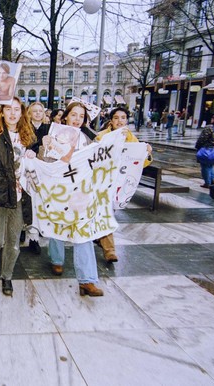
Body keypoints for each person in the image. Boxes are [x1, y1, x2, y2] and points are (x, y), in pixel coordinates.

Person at [0, 81, 37, 296]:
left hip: (20, 196)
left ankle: (7, 276)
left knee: (13, 243)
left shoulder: (29, 136)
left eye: (16, 109)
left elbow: (40, 156)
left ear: (22, 113)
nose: (12, 113)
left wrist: (34, 153)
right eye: (8, 109)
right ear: (1, 112)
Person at [40, 100, 104, 297]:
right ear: (65, 115)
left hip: (80, 191)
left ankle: (87, 280)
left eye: (81, 116)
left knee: (83, 232)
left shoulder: (89, 139)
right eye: (74, 115)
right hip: (59, 189)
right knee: (58, 224)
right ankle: (57, 259)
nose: (77, 119)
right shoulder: (53, 134)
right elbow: (45, 162)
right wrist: (44, 147)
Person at [94, 107, 153, 263]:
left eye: (123, 117)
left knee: (106, 212)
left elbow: (140, 163)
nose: (119, 121)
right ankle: (109, 250)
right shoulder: (101, 137)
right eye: (116, 118)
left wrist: (146, 153)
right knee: (105, 213)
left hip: (118, 183)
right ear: (111, 120)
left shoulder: (131, 138)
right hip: (102, 181)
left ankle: (101, 238)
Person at [22, 102, 49, 255]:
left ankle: (35, 235)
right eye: (35, 111)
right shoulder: (24, 128)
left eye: (41, 111)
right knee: (27, 202)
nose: (38, 113)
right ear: (29, 113)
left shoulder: (49, 128)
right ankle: (27, 232)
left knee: (38, 204)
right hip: (27, 170)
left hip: (44, 171)